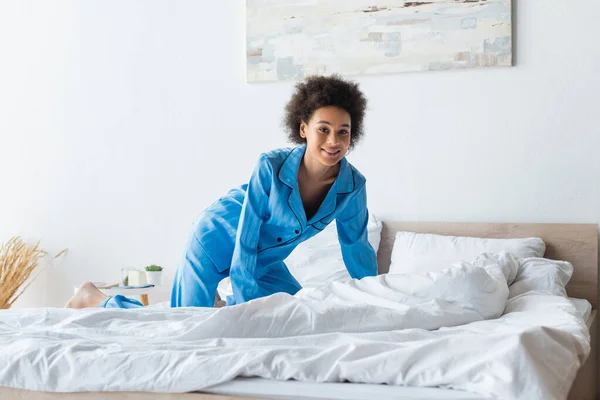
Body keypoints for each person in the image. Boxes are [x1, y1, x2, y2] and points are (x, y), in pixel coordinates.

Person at [65, 74, 378, 309]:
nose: (333, 141)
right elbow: (246, 235)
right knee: (181, 326)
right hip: (216, 240)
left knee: (296, 312)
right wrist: (244, 303)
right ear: (303, 129)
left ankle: (216, 310)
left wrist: (375, 301)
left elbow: (357, 250)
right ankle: (95, 299)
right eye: (323, 129)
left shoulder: (352, 187)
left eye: (343, 132)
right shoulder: (270, 166)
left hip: (263, 260)